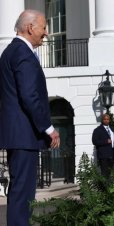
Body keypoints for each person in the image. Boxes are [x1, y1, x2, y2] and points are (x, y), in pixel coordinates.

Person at [0, 9, 60, 226]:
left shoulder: (12, 52)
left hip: (19, 135)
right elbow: (30, 96)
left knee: (20, 191)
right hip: (23, 134)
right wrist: (48, 127)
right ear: (30, 27)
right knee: (22, 193)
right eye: (43, 27)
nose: (46, 33)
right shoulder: (22, 54)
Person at [92, 113, 114, 177]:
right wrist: (106, 141)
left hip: (111, 155)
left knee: (110, 173)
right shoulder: (97, 130)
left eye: (108, 119)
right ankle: (104, 187)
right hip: (103, 155)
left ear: (109, 120)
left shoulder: (112, 129)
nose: (106, 121)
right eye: (105, 119)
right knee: (104, 174)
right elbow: (94, 141)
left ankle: (109, 186)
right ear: (102, 120)